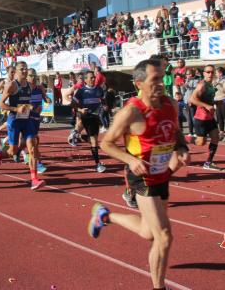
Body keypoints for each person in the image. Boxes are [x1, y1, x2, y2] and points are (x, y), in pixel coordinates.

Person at [88, 59, 189, 290]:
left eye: (162, 78)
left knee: (147, 232)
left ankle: (105, 216)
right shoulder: (131, 112)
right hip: (141, 175)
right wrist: (131, 160)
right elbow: (107, 144)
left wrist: (182, 148)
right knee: (163, 236)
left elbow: (176, 133)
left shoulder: (170, 104)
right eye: (155, 80)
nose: (161, 84)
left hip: (162, 173)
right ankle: (158, 286)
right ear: (139, 84)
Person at [0, 61, 45, 190]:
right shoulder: (12, 85)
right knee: (13, 151)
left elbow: (26, 103)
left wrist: (31, 108)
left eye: (26, 69)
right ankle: (1, 153)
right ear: (16, 71)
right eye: (21, 69)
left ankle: (34, 180)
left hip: (26, 121)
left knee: (32, 148)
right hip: (14, 121)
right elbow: (1, 104)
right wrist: (16, 109)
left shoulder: (28, 85)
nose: (24, 71)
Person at [72, 71, 107, 173]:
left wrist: (105, 106)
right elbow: (73, 104)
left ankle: (80, 136)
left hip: (96, 117)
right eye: (91, 78)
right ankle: (98, 164)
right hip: (86, 117)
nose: (93, 79)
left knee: (94, 140)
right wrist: (80, 110)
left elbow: (103, 100)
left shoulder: (98, 89)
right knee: (94, 141)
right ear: (86, 80)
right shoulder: (81, 91)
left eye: (94, 77)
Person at [189, 64, 222, 170]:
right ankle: (183, 140)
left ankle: (208, 162)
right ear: (203, 73)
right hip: (201, 118)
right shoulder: (202, 85)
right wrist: (207, 106)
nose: (210, 74)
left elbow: (207, 99)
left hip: (210, 117)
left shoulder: (211, 85)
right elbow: (192, 99)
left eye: (212, 72)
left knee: (216, 138)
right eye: (208, 72)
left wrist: (216, 103)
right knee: (200, 143)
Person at [0, 66, 16, 137]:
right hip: (6, 104)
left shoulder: (16, 82)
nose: (13, 74)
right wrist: (0, 91)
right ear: (7, 72)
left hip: (14, 104)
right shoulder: (3, 82)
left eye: (14, 72)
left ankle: (0, 128)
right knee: (13, 120)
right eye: (11, 72)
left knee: (12, 121)